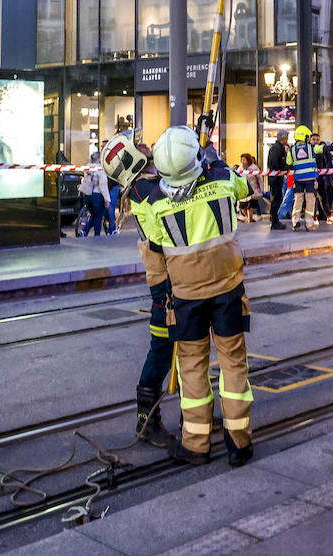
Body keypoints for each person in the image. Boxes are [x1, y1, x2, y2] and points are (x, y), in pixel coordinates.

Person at [132, 126, 254, 468]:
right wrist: (212, 158)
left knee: (192, 368)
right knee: (232, 364)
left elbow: (155, 247)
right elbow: (242, 187)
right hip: (228, 290)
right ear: (197, 157)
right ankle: (238, 443)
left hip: (186, 298)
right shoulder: (223, 178)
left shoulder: (155, 202)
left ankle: (196, 445)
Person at [101, 132, 176, 449]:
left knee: (185, 346)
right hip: (170, 281)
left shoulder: (145, 188)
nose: (146, 146)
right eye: (140, 146)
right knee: (163, 346)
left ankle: (194, 411)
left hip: (170, 277)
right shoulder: (150, 192)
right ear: (130, 157)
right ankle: (146, 419)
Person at [287, 125, 319, 230]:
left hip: (298, 179)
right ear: (305, 137)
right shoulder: (311, 147)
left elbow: (288, 162)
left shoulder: (292, 150)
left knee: (298, 200)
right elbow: (320, 149)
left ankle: (295, 223)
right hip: (310, 179)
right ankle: (309, 225)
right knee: (310, 200)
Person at [80, 152, 109, 236]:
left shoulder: (87, 168)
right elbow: (103, 185)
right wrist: (107, 199)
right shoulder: (100, 169)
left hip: (87, 195)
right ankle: (97, 236)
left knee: (93, 215)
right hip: (97, 195)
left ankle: (84, 231)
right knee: (98, 217)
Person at [266, 131, 290, 230]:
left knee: (277, 199)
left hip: (277, 177)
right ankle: (274, 222)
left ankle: (275, 220)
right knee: (276, 199)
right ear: (284, 138)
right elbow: (273, 162)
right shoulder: (277, 148)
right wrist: (278, 171)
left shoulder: (278, 147)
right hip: (276, 179)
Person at [236, 153, 264, 222]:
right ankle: (248, 217)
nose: (242, 161)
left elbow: (260, 179)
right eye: (241, 160)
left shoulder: (254, 168)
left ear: (248, 160)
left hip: (253, 189)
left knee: (250, 206)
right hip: (244, 190)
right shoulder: (240, 168)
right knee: (243, 206)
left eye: (244, 160)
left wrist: (261, 188)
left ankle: (250, 219)